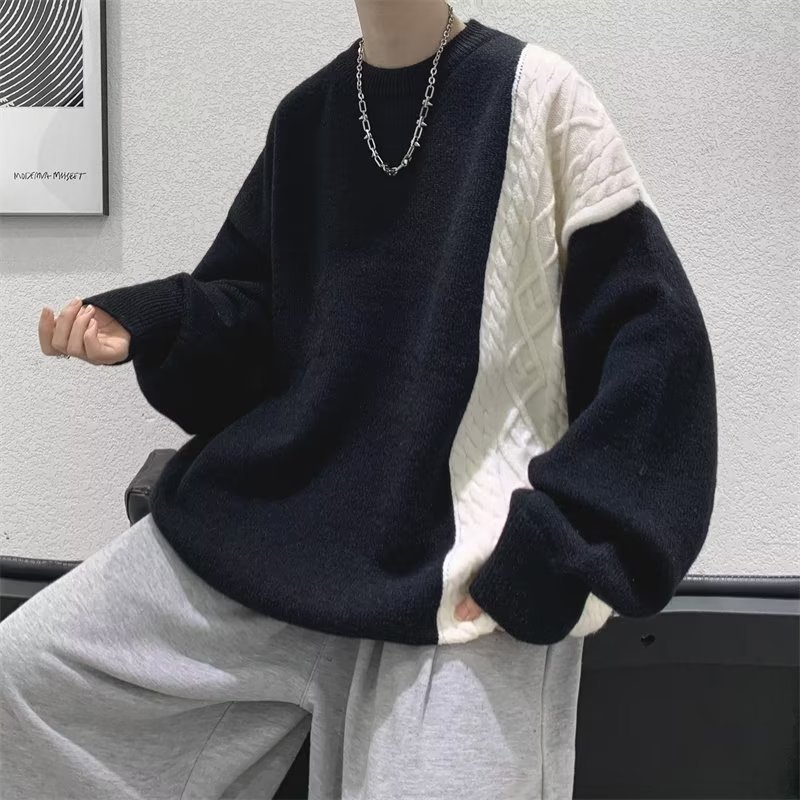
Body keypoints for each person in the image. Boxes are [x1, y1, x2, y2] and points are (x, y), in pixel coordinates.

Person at [0, 1, 718, 798]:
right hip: (280, 537)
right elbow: (263, 322)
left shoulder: (538, 97)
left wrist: (557, 550)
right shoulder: (308, 116)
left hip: (464, 575)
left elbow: (658, 347)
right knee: (25, 676)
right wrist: (159, 319)